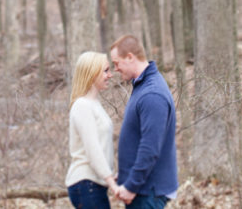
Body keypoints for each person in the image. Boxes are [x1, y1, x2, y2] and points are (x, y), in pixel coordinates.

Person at [109, 35, 178, 208]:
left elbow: (150, 148)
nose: (115, 69)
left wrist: (132, 185)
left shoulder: (152, 95)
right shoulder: (143, 86)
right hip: (143, 189)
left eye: (117, 63)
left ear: (130, 57)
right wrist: (126, 175)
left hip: (148, 191)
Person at [65, 51, 118, 208]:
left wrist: (111, 176)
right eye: (106, 70)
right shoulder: (82, 106)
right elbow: (92, 148)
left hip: (94, 184)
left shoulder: (94, 104)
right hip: (86, 183)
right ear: (92, 73)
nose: (110, 75)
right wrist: (111, 182)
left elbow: (102, 147)